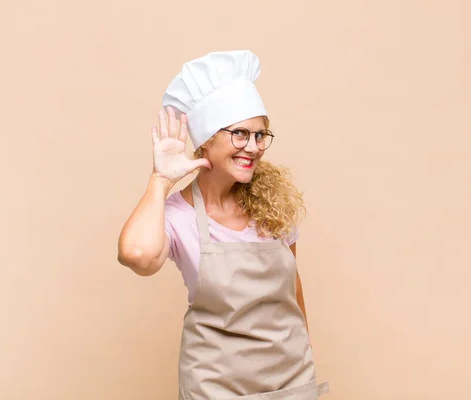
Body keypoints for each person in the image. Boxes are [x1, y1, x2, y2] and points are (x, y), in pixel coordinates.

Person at [117, 50, 329, 399]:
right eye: (240, 134)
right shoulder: (177, 215)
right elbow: (137, 255)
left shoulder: (273, 204)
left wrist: (303, 360)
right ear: (206, 141)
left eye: (261, 135)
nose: (254, 147)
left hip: (290, 381)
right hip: (216, 388)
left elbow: (293, 287)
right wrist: (160, 180)